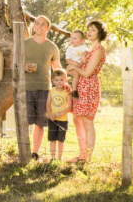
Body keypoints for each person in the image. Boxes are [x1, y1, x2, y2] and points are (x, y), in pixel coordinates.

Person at [66, 21, 107, 163]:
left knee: (87, 122)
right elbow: (80, 70)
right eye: (88, 30)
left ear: (99, 33)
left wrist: (73, 67)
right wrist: (73, 69)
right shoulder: (89, 50)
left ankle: (87, 159)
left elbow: (88, 73)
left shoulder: (99, 50)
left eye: (93, 30)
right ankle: (82, 155)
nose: (89, 32)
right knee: (78, 120)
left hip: (89, 86)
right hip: (82, 86)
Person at [24, 15, 63, 162]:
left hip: (44, 89)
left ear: (48, 28)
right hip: (26, 88)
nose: (39, 26)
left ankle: (35, 153)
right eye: (37, 23)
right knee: (26, 122)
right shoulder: (25, 43)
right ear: (34, 26)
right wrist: (23, 66)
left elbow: (57, 68)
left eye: (43, 24)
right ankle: (24, 151)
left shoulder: (52, 47)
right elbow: (14, 64)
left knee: (40, 123)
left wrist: (65, 82)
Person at [46, 68, 72, 161]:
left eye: (62, 80)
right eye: (57, 80)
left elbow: (70, 107)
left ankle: (59, 158)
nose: (59, 82)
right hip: (52, 119)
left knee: (61, 139)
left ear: (66, 80)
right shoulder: (51, 91)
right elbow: (48, 104)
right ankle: (53, 158)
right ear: (53, 81)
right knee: (52, 139)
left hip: (63, 120)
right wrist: (50, 115)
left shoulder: (67, 92)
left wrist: (60, 113)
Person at [66, 30, 88, 99]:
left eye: (75, 38)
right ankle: (74, 90)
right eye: (71, 38)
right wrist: (74, 63)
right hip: (74, 65)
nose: (72, 40)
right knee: (76, 75)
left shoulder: (83, 47)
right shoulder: (69, 49)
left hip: (82, 67)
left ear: (81, 41)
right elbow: (68, 60)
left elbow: (86, 51)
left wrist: (83, 56)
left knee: (79, 76)